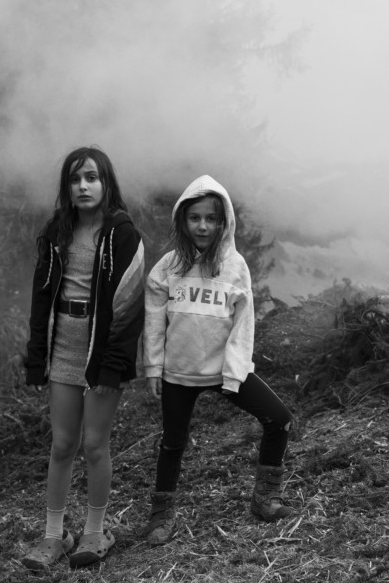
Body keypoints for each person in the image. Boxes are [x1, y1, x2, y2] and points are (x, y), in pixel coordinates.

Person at [141, 174, 295, 546]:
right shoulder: (169, 266)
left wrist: (235, 369)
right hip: (178, 373)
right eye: (195, 218)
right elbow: (154, 317)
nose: (203, 226)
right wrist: (153, 365)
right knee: (172, 443)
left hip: (224, 370)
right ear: (182, 219)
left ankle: (265, 498)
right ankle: (161, 517)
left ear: (223, 221)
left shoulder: (234, 265)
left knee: (280, 419)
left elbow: (244, 321)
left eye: (211, 218)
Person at [21, 146, 145, 570]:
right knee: (62, 445)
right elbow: (40, 300)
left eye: (91, 177)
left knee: (94, 445)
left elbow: (129, 307)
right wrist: (36, 358)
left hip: (101, 353)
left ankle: (95, 531)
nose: (83, 186)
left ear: (106, 183)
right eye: (75, 179)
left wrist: (114, 365)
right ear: (67, 187)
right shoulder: (56, 232)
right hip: (64, 349)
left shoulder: (122, 234)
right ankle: (54, 536)